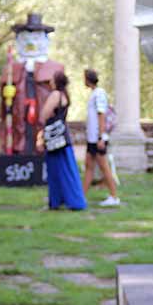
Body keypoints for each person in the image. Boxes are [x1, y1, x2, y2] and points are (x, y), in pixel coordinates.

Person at [39, 71, 87, 211]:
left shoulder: (55, 95)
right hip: (63, 137)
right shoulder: (65, 95)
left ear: (56, 81)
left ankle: (59, 201)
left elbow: (45, 114)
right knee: (66, 169)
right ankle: (64, 200)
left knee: (55, 170)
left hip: (55, 138)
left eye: (52, 80)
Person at [82, 69, 120, 207]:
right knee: (89, 166)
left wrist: (101, 137)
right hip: (92, 139)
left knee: (104, 167)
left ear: (88, 79)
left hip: (98, 139)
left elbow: (101, 115)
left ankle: (114, 196)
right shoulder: (94, 94)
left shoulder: (99, 94)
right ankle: (81, 197)